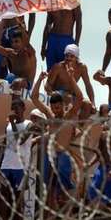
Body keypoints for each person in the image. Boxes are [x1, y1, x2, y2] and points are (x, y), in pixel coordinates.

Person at [30, 72, 83, 211]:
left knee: (65, 185)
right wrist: (40, 79)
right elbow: (34, 97)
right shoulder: (50, 115)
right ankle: (51, 215)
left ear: (63, 105)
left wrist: (71, 78)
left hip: (63, 155)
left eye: (58, 107)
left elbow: (80, 98)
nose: (55, 110)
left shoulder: (69, 116)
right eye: (53, 107)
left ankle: (72, 211)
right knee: (50, 185)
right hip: (50, 155)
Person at [0, 99, 34, 220]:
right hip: (6, 164)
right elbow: (4, 144)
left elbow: (20, 141)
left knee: (19, 198)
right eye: (13, 108)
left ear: (23, 108)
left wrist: (12, 123)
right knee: (3, 195)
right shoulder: (7, 126)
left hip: (20, 166)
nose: (15, 110)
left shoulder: (29, 124)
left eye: (17, 107)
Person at [41, 0, 82, 72]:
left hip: (66, 39)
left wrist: (76, 45)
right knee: (51, 70)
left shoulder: (74, 3)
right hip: (52, 39)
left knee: (66, 70)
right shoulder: (52, 3)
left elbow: (79, 24)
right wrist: (43, 46)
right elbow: (48, 25)